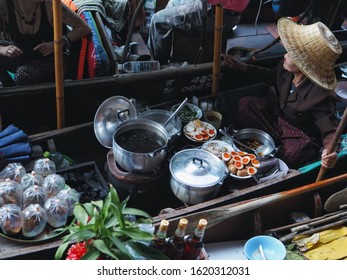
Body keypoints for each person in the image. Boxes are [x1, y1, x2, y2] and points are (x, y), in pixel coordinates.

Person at [222, 17, 341, 169]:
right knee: (246, 104)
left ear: (304, 64)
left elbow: (330, 132)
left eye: (290, 54)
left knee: (295, 152)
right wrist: (243, 67)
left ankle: (272, 157)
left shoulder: (321, 95)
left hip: (297, 133)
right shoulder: (285, 68)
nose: (285, 55)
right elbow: (270, 76)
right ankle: (264, 141)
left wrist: (330, 152)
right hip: (277, 117)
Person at [0, 0, 91, 86]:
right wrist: (2, 49)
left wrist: (57, 43)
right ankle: (9, 88)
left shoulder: (51, 4)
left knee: (23, 76)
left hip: (53, 59)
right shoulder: (4, 6)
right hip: (24, 54)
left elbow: (84, 28)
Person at [147, 0, 250, 65]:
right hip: (222, 9)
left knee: (157, 20)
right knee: (174, 3)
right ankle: (172, 50)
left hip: (218, 13)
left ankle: (158, 64)